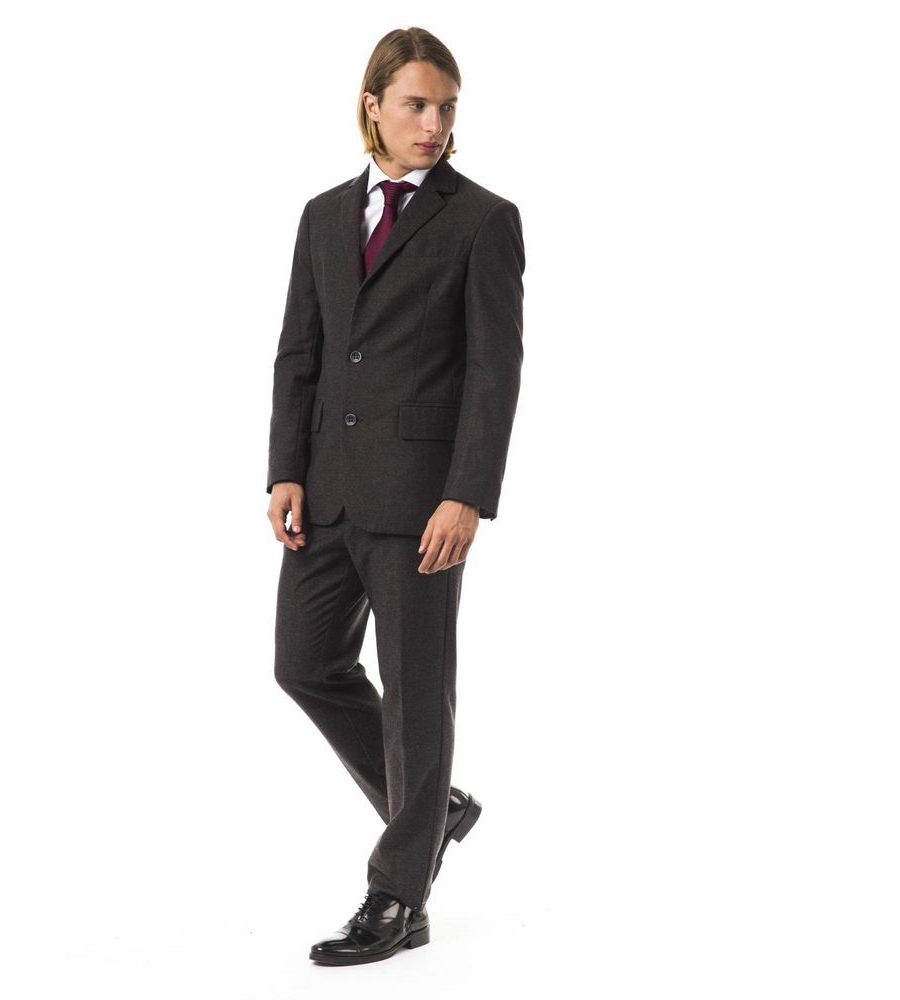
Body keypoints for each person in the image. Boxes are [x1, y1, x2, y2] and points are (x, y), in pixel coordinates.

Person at [266, 26, 525, 965]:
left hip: (421, 502)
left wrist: (467, 495)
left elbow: (495, 371)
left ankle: (399, 896)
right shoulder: (322, 216)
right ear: (373, 104)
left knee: (417, 695)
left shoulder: (482, 220)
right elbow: (301, 351)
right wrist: (285, 468)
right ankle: (432, 806)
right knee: (305, 663)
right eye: (417, 104)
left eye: (447, 107)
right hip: (327, 491)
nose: (434, 124)